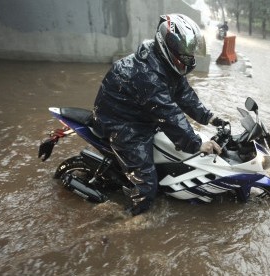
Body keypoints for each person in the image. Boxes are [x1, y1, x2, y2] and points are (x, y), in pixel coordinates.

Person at [92, 14, 224, 215]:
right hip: (122, 124)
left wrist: (209, 117)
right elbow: (168, 113)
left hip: (141, 116)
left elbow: (185, 95)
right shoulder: (147, 74)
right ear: (168, 45)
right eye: (186, 51)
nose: (189, 56)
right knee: (147, 184)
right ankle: (133, 218)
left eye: (191, 52)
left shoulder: (165, 64)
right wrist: (196, 144)